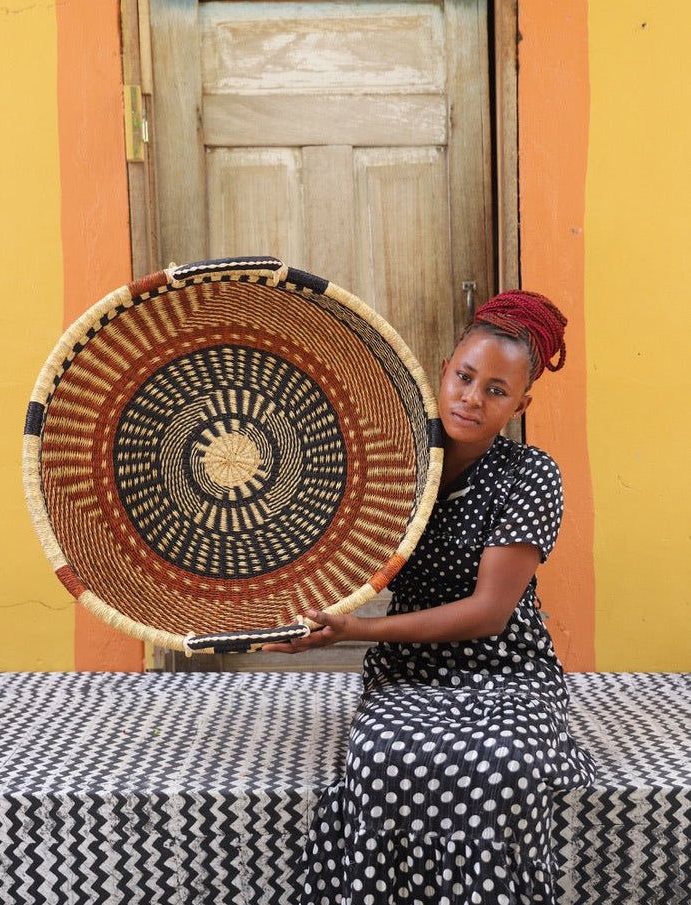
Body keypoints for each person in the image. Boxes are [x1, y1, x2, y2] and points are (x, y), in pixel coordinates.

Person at [265, 290, 596, 905]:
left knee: (501, 771)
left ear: (520, 404)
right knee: (383, 759)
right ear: (443, 371)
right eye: (465, 377)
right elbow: (323, 547)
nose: (472, 398)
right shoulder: (393, 464)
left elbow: (489, 613)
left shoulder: (532, 476)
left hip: (508, 672)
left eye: (497, 390)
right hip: (408, 673)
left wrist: (356, 631)